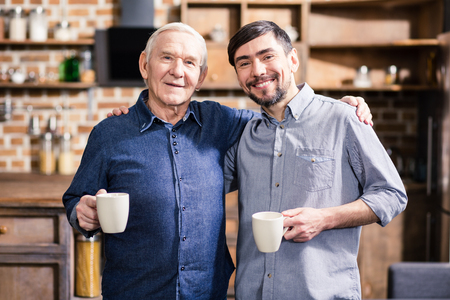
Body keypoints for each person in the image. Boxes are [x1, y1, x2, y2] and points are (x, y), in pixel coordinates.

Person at [63, 23, 371, 299]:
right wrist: (82, 212)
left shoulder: (223, 122)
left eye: (189, 62)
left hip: (208, 292)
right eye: (166, 58)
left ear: (201, 77)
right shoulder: (111, 132)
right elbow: (76, 199)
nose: (177, 71)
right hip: (133, 291)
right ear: (145, 65)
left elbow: (283, 119)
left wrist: (333, 108)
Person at [223, 20, 407, 300]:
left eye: (268, 56)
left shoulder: (343, 118)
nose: (258, 71)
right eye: (244, 63)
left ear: (293, 59)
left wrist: (324, 219)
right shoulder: (245, 135)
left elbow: (392, 193)